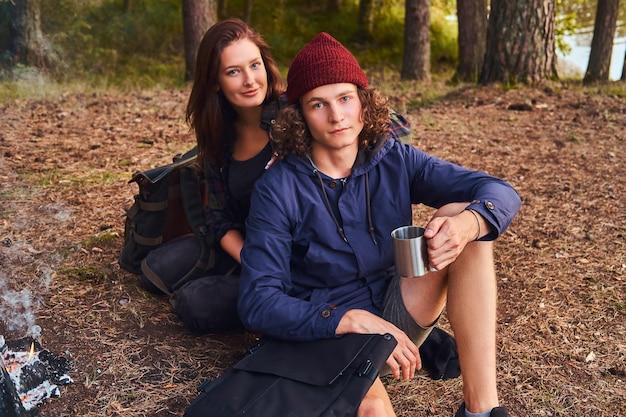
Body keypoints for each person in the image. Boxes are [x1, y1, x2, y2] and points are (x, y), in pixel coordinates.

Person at [238, 32, 521, 417]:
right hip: (329, 333)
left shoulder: (394, 158)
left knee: (462, 213)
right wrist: (345, 319)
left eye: (344, 99)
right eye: (318, 104)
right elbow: (257, 301)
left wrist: (469, 225)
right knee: (374, 412)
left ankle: (481, 411)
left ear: (363, 102)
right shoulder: (277, 188)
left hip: (398, 305)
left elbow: (497, 191)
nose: (336, 116)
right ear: (300, 115)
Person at [139, 20, 413, 335]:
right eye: (233, 72)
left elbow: (390, 124)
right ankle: (276, 299)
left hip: (315, 251)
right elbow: (218, 220)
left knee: (196, 303)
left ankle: (309, 311)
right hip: (261, 248)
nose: (249, 80)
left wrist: (352, 136)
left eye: (254, 65)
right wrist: (253, 261)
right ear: (214, 82)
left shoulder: (295, 108)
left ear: (266, 65)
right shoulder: (219, 139)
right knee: (154, 274)